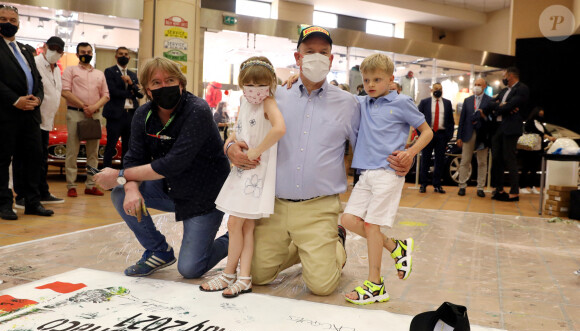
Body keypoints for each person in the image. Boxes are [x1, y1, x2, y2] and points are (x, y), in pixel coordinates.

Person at [226, 26, 412, 296]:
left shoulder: (350, 104)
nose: (316, 57)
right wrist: (230, 145)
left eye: (323, 52)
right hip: (272, 205)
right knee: (257, 275)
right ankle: (304, 250)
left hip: (319, 207)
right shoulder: (276, 95)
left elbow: (374, 140)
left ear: (332, 59)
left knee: (322, 286)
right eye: (309, 51)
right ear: (297, 57)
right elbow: (244, 126)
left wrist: (405, 158)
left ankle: (335, 240)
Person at [94, 57, 230, 279]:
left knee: (191, 269)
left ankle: (234, 237)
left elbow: (174, 163)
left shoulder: (197, 109)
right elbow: (134, 157)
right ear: (147, 89)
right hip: (172, 190)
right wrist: (130, 188)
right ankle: (159, 251)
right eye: (156, 83)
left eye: (170, 80)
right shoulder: (143, 114)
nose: (164, 86)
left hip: (205, 197)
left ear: (181, 83)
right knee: (120, 192)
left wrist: (119, 174)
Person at [341, 53, 433, 305]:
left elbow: (427, 132)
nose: (371, 84)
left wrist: (410, 151)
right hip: (365, 173)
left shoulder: (402, 102)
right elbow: (336, 94)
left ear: (391, 80)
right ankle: (396, 248)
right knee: (348, 220)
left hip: (388, 172)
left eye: (377, 79)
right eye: (367, 79)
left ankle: (375, 284)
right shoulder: (362, 102)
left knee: (372, 226)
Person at [201, 57, 286, 298]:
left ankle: (230, 273)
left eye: (260, 84)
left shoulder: (268, 102)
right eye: (249, 84)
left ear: (269, 83)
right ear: (241, 84)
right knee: (245, 226)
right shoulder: (244, 101)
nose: (254, 89)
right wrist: (235, 142)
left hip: (255, 171)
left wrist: (257, 151)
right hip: (241, 169)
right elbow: (239, 130)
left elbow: (279, 128)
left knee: (235, 223)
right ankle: (244, 277)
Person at [0, 4, 53, 220]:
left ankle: (32, 201)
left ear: (19, 24)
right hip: (5, 113)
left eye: (12, 20)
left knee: (33, 157)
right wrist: (15, 100)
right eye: (3, 18)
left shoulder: (24, 48)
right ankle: (4, 204)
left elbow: (38, 80)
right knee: (3, 160)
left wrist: (38, 98)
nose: (8, 23)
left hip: (30, 113)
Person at [13, 36, 65, 210]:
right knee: (25, 158)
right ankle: (22, 195)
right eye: (52, 47)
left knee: (41, 159)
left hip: (47, 120)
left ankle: (42, 191)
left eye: (58, 50)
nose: (54, 52)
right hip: (31, 118)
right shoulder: (34, 63)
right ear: (44, 46)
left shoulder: (56, 68)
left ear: (62, 53)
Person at [61, 42, 110, 198]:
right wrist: (84, 106)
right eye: (83, 51)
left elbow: (106, 95)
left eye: (89, 52)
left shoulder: (99, 74)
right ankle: (71, 185)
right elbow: (66, 92)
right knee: (72, 150)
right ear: (77, 54)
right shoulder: (71, 70)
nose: (86, 54)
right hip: (75, 113)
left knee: (93, 152)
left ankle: (90, 185)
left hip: (95, 115)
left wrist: (93, 107)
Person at [485, 66, 529, 202]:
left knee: (510, 158)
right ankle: (499, 188)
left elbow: (512, 105)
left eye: (504, 75)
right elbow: (489, 104)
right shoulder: (504, 90)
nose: (503, 78)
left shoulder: (521, 88)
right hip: (499, 128)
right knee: (497, 158)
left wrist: (502, 106)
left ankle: (514, 191)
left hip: (511, 128)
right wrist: (501, 106)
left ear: (510, 76)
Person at [102, 46, 143, 168]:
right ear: (116, 56)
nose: (123, 56)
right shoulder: (109, 71)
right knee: (111, 145)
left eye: (126, 54)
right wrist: (131, 92)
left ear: (129, 57)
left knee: (127, 146)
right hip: (115, 115)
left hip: (130, 115)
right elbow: (112, 91)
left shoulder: (133, 75)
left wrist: (131, 83)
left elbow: (139, 94)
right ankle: (106, 173)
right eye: (121, 54)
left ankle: (124, 174)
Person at [456, 77, 493, 197]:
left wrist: (484, 116)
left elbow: (492, 120)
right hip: (468, 134)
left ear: (484, 87)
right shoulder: (467, 100)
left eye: (479, 84)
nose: (476, 86)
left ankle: (480, 187)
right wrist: (459, 136)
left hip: (482, 135)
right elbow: (462, 120)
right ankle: (462, 186)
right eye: (475, 84)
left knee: (482, 162)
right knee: (465, 160)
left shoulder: (490, 101)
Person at [417, 82, 454, 193]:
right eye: (436, 88)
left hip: (442, 135)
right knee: (425, 159)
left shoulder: (447, 103)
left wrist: (449, 135)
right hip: (428, 133)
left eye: (440, 88)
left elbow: (451, 121)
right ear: (432, 90)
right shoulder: (425, 102)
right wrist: (421, 135)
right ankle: (423, 184)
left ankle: (437, 184)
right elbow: (417, 119)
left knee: (440, 161)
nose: (438, 90)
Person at [519, 107, 555, 194]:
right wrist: (547, 136)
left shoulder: (540, 124)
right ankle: (522, 186)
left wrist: (552, 137)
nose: (541, 116)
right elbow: (535, 131)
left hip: (538, 148)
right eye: (540, 114)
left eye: (542, 114)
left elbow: (546, 132)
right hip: (529, 147)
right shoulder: (530, 122)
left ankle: (532, 186)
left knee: (534, 168)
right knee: (525, 167)